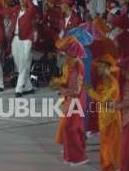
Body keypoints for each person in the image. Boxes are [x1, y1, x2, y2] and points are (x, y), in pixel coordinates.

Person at [53, 35, 89, 166]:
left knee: (71, 127)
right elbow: (66, 80)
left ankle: (78, 156)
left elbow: (76, 89)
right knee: (70, 127)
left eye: (66, 51)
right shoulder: (70, 63)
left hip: (75, 100)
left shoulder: (77, 65)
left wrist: (61, 88)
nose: (63, 53)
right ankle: (71, 154)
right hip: (70, 98)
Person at [0, 0, 36, 97]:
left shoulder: (32, 10)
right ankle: (29, 87)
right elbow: (4, 11)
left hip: (27, 40)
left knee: (24, 63)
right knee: (19, 65)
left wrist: (28, 0)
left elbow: (32, 8)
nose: (21, 0)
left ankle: (19, 88)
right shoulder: (16, 9)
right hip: (15, 39)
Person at [87, 54, 121, 171]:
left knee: (110, 144)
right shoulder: (105, 80)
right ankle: (107, 165)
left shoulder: (111, 82)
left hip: (110, 118)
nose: (98, 69)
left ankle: (111, 166)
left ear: (106, 67)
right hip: (104, 117)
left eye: (100, 67)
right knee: (105, 143)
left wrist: (90, 91)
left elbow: (104, 99)